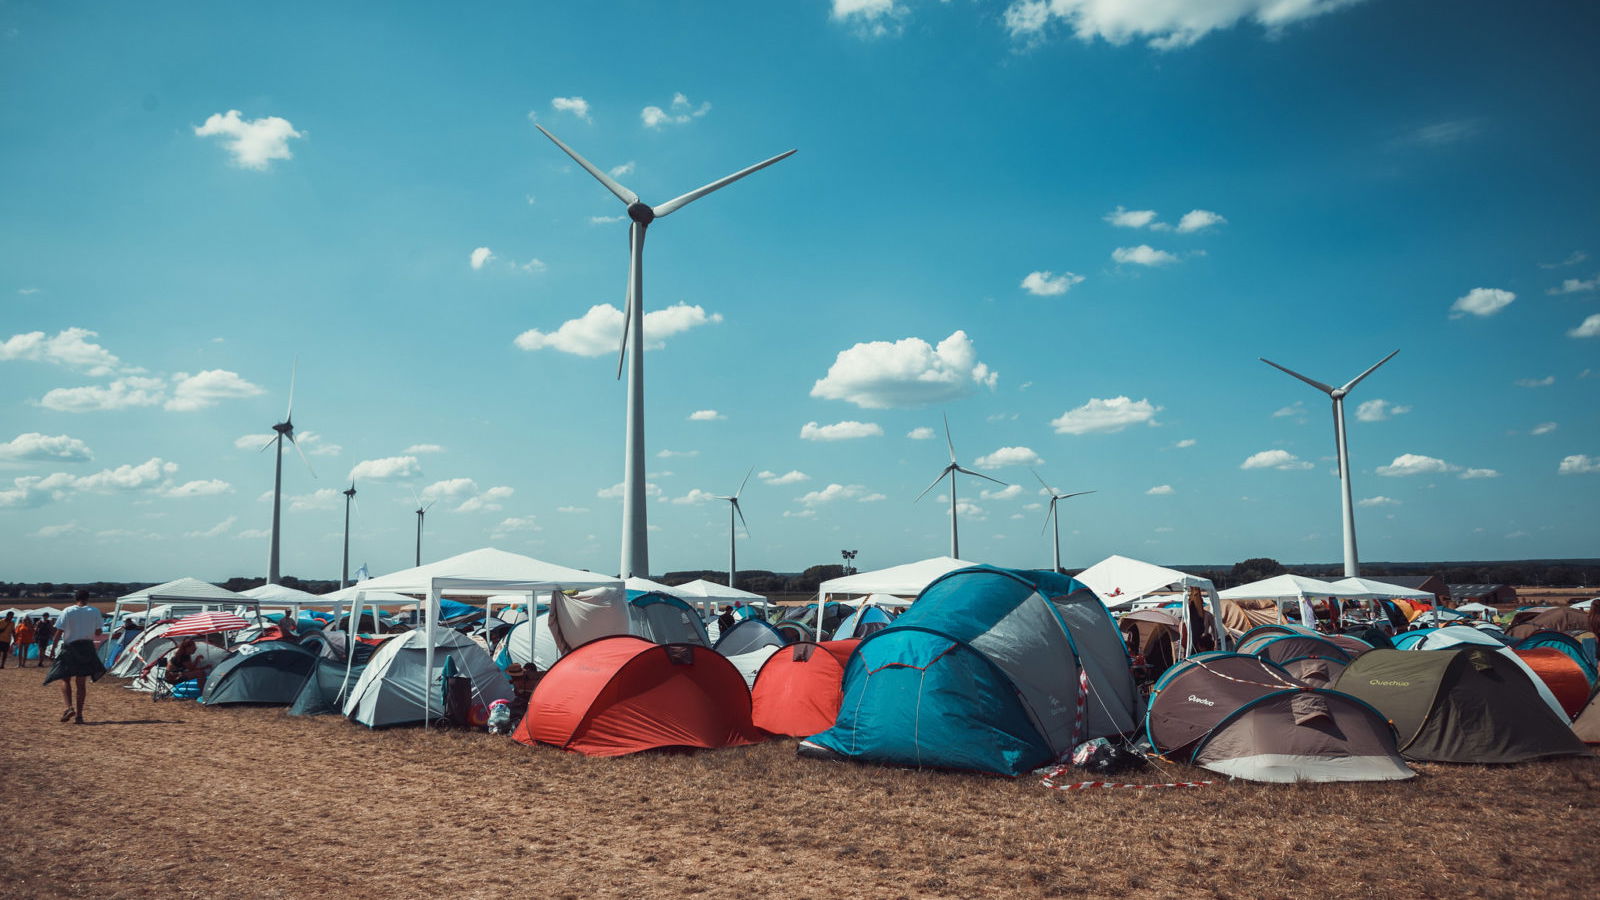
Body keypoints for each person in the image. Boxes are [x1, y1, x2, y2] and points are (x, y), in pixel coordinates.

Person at [44, 592, 105, 724]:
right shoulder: (94, 611)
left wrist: (53, 649)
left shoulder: (68, 611)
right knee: (81, 683)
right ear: (87, 599)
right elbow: (99, 632)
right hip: (86, 648)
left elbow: (59, 631)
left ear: (75, 599)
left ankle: (69, 707)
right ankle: (79, 716)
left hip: (70, 648)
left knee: (65, 679)